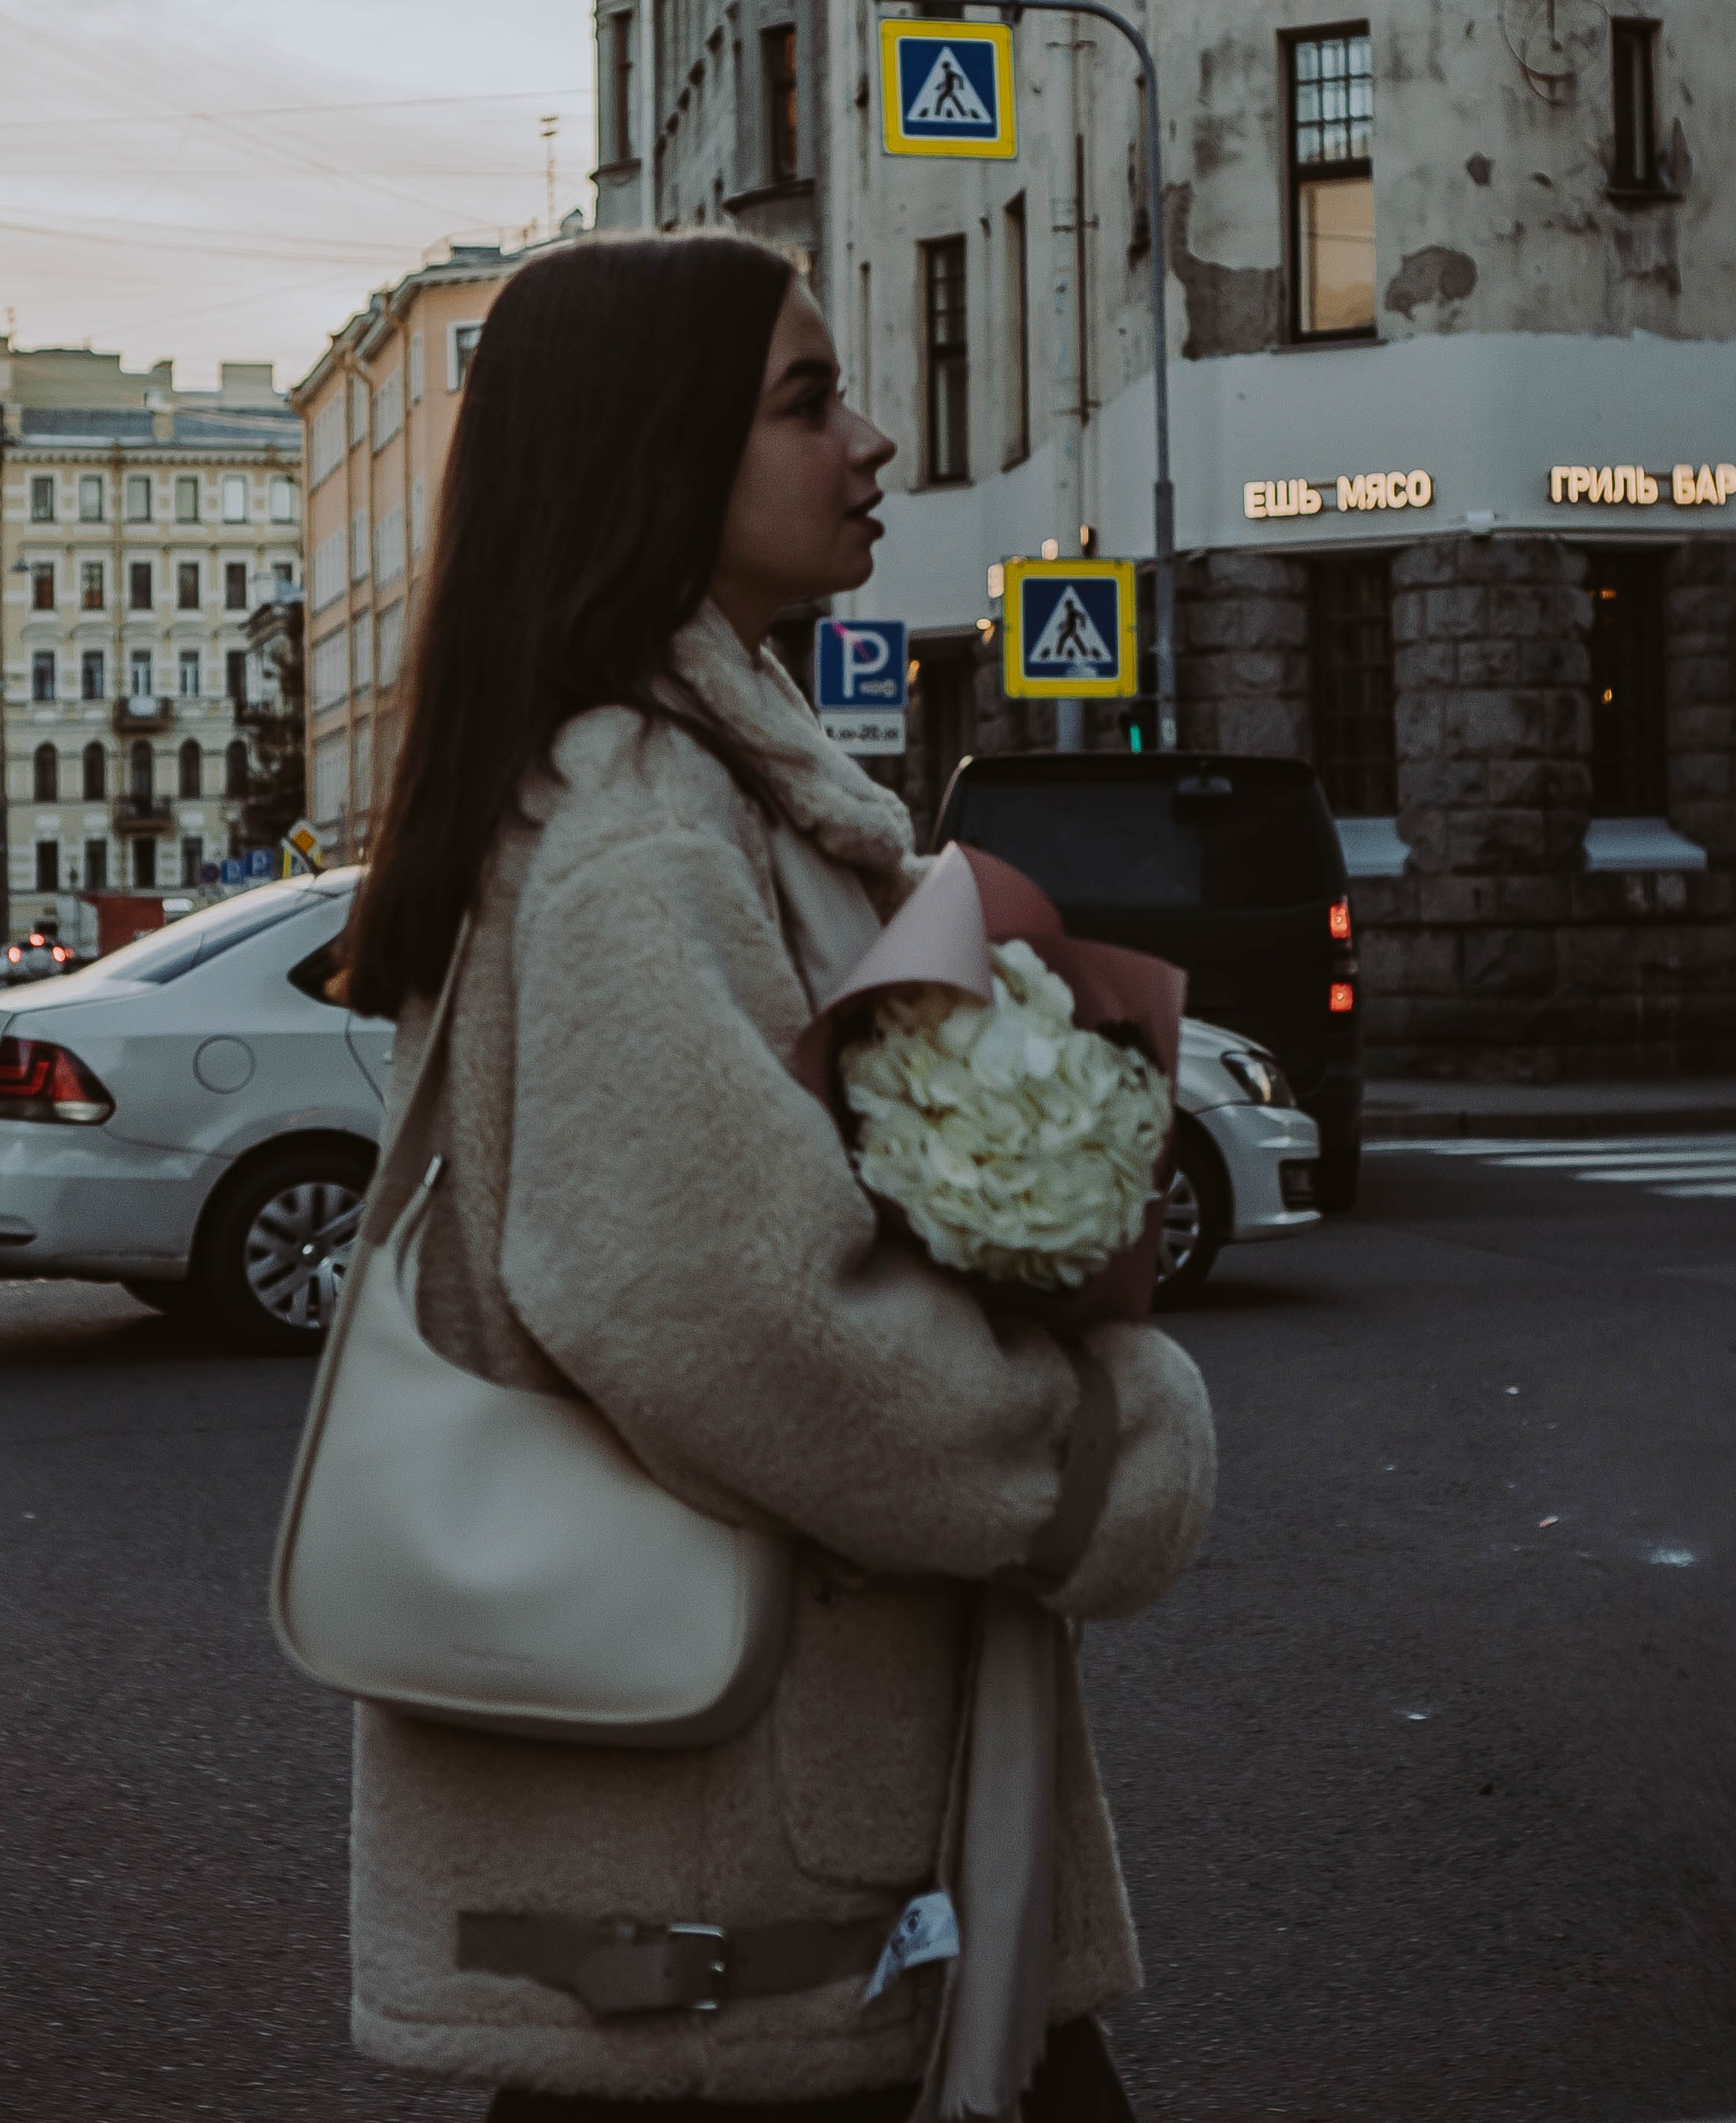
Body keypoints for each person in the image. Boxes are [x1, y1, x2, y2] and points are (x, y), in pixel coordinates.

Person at [341, 232, 1216, 2121]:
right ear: (653, 455)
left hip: (761, 1892)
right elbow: (727, 1313)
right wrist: (1086, 1447)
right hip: (747, 1940)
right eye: (808, 404)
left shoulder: (694, 786)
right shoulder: (637, 825)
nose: (873, 444)